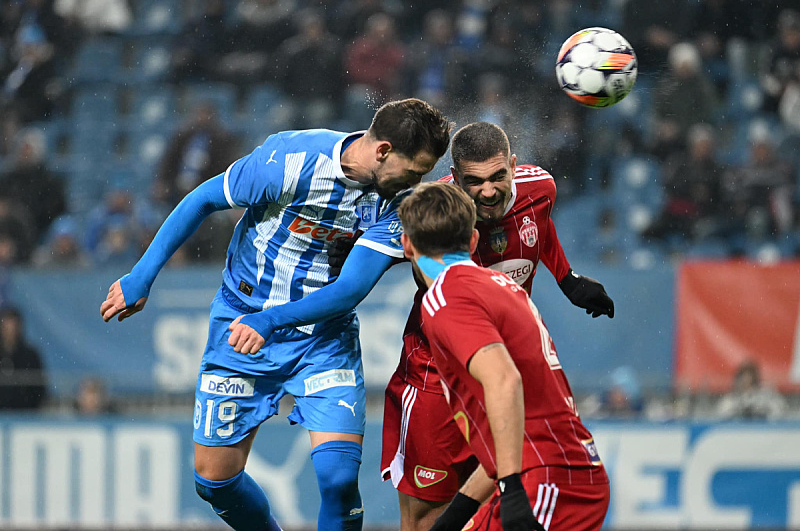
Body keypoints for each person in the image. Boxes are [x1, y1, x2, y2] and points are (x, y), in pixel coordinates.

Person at [230, 122, 614, 530]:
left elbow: (537, 221)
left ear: (514, 168)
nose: (487, 192)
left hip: (505, 397)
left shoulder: (528, 202)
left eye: (498, 177)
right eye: (474, 183)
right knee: (430, 515)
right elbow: (354, 280)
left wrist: (567, 278)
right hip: (437, 379)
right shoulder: (435, 215)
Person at [100, 98, 452, 531]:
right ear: (382, 151)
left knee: (338, 479)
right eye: (415, 170)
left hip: (323, 337)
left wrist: (271, 321)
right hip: (239, 322)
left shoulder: (399, 202)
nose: (418, 181)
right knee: (214, 479)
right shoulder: (289, 159)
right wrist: (141, 276)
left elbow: (349, 291)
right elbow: (204, 198)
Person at [396, 181, 610, 531]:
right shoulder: (504, 287)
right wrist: (455, 515)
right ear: (473, 242)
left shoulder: (446, 298)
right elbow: (514, 425)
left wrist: (511, 490)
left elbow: (504, 380)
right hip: (562, 471)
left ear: (406, 245)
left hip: (543, 479)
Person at [0, 306, 47, 410]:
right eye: (6, 326)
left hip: (24, 416)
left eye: (13, 326)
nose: (10, 331)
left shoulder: (30, 356)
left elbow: (39, 388)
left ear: (19, 327)